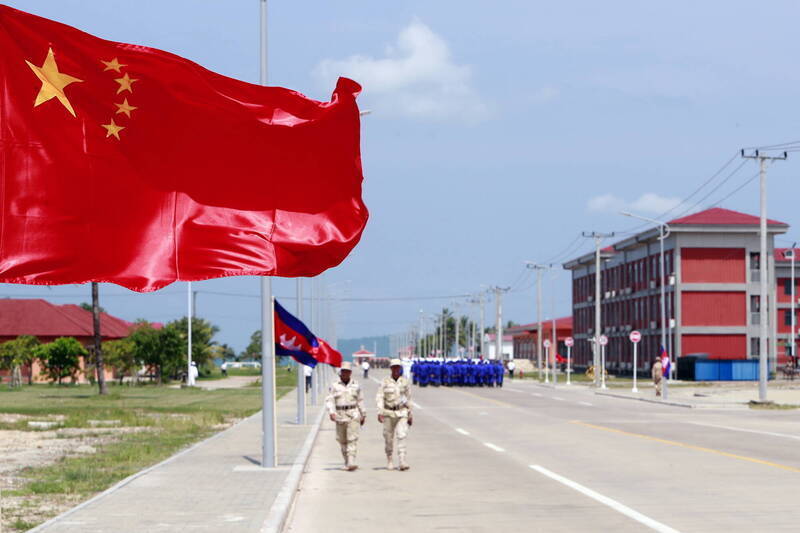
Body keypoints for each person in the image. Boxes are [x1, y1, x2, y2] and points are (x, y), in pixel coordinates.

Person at [325, 362, 366, 471]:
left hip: (353, 413)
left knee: (352, 439)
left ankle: (351, 460)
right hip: (340, 415)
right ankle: (346, 461)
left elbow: (360, 400)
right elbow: (330, 399)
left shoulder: (356, 385)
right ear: (341, 372)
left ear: (350, 373)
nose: (345, 373)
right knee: (342, 440)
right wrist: (331, 412)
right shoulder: (335, 386)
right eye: (343, 371)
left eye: (347, 371)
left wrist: (363, 414)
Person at [376, 359, 413, 471]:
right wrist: (380, 411)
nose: (396, 369)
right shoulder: (385, 382)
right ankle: (390, 459)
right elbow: (380, 397)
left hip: (402, 412)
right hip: (388, 412)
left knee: (402, 435)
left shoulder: (405, 382)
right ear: (391, 368)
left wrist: (410, 413)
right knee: (388, 437)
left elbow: (409, 398)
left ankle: (402, 460)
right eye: (394, 367)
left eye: (398, 367)